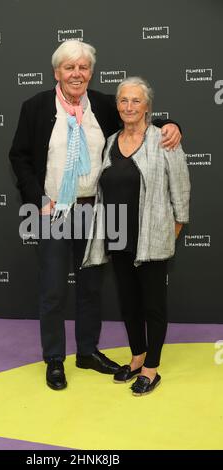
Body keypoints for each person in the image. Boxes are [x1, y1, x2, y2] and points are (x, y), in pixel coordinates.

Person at [9, 41, 181, 391]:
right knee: (53, 289)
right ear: (56, 72)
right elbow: (19, 156)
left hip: (98, 211)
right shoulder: (36, 107)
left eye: (83, 67)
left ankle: (87, 351)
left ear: (91, 72)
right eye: (69, 67)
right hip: (52, 210)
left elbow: (140, 117)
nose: (77, 73)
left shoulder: (103, 104)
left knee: (91, 287)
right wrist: (37, 199)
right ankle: (55, 359)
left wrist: (172, 124)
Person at [83, 76, 190, 396]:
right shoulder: (111, 140)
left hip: (152, 238)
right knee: (129, 303)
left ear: (147, 107)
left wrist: (175, 227)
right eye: (123, 101)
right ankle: (136, 356)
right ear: (117, 106)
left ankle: (151, 368)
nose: (129, 106)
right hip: (118, 236)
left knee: (153, 305)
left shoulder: (164, 140)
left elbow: (180, 188)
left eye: (136, 101)